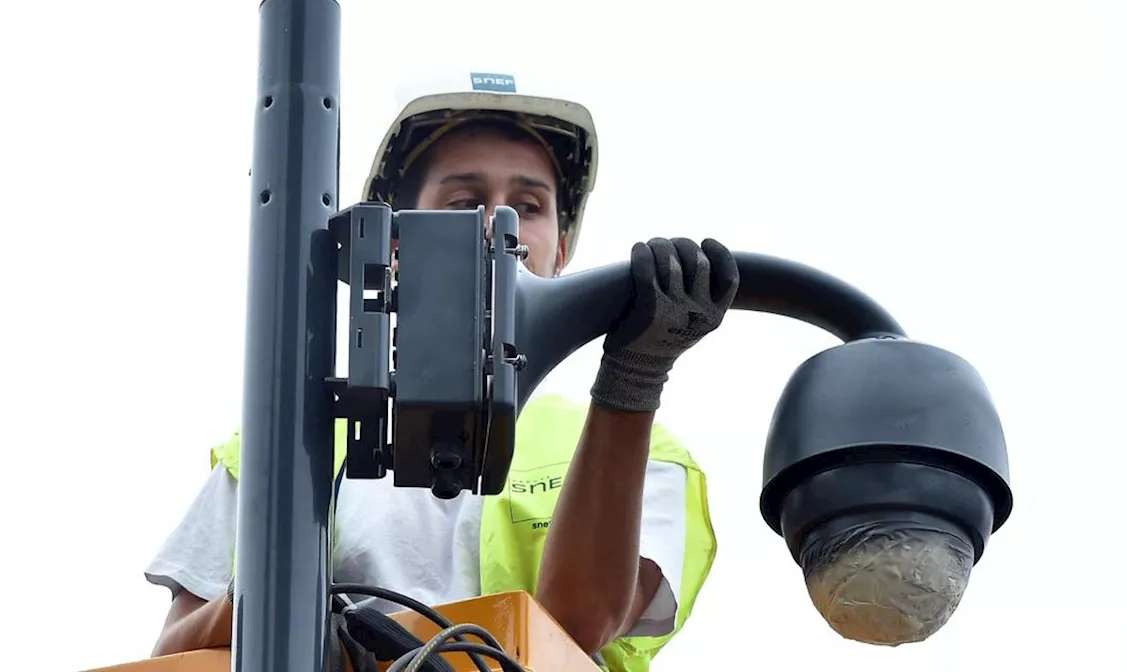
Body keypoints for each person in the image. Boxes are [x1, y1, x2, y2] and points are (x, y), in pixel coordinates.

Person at [144, 70, 738, 671]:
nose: (495, 225)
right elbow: (173, 656)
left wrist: (633, 377)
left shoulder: (641, 449)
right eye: (463, 202)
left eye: (528, 206)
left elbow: (578, 623)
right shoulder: (278, 444)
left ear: (560, 250)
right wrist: (273, 598)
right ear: (396, 243)